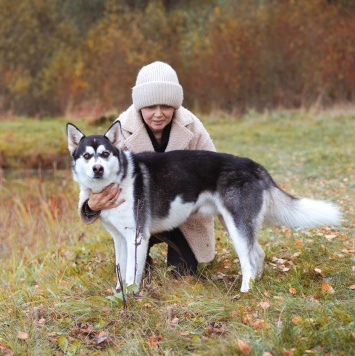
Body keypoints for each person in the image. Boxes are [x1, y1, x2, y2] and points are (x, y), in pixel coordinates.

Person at [78, 61, 216, 276]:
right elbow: (93, 177)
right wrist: (90, 206)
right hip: (138, 215)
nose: (158, 114)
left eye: (166, 106)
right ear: (140, 106)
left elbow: (214, 168)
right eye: (151, 107)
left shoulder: (192, 126)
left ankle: (179, 254)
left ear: (176, 105)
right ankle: (140, 264)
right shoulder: (119, 130)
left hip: (184, 215)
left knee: (183, 274)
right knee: (138, 269)